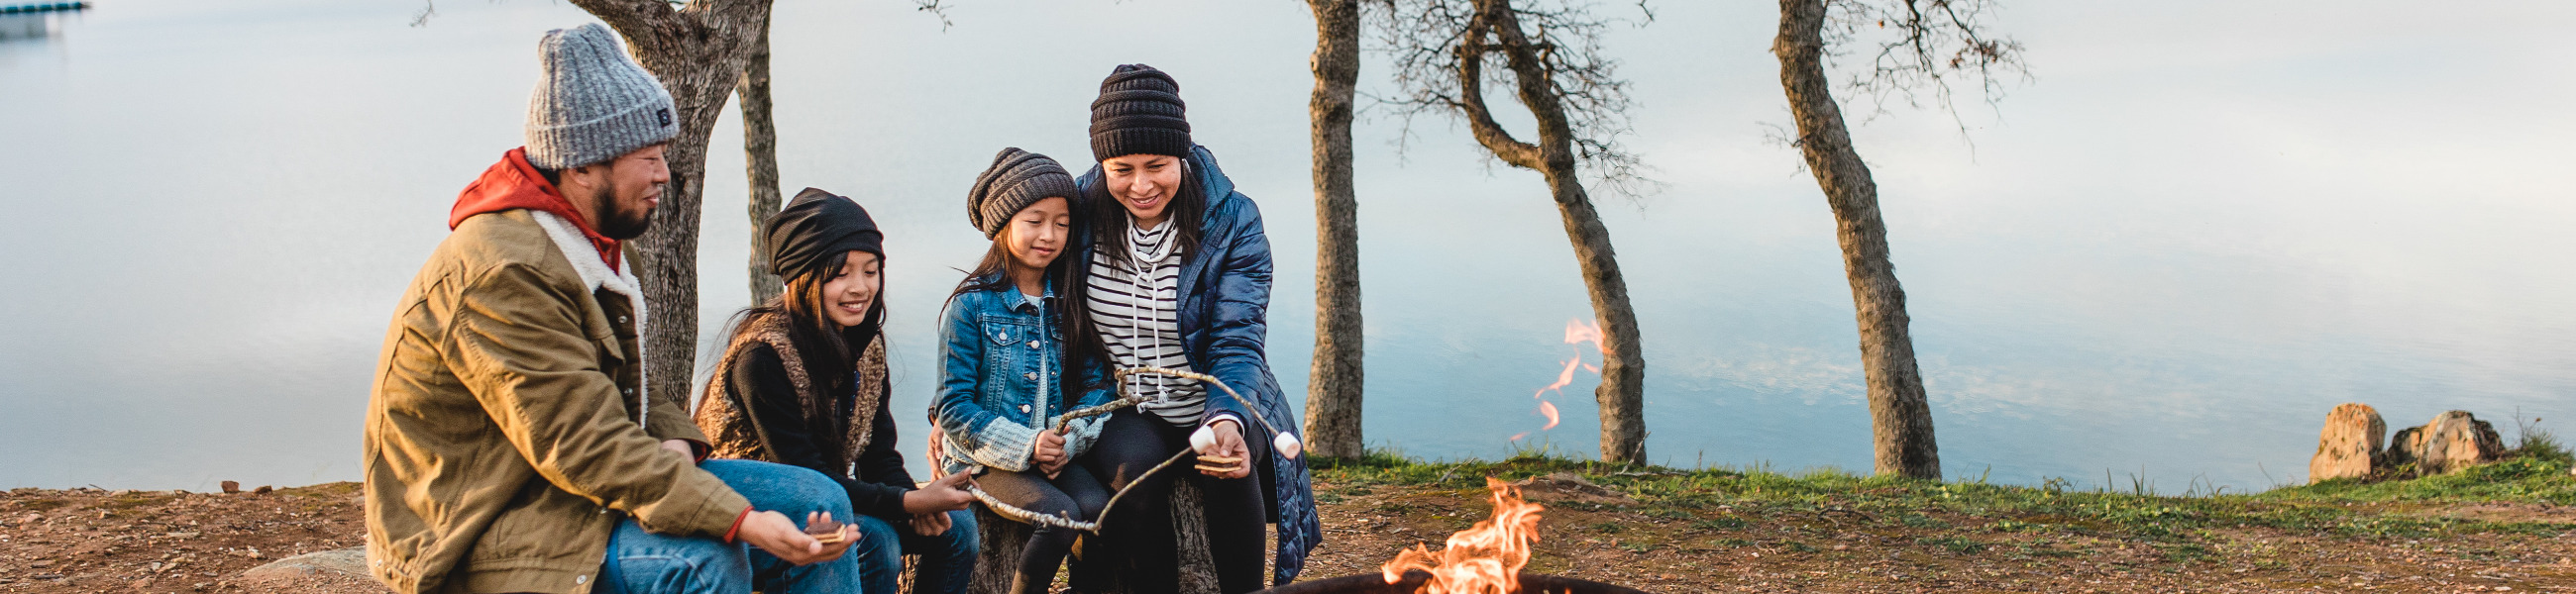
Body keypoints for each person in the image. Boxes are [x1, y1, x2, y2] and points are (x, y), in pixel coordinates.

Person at [362, 23, 857, 594]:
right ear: (581, 166)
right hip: (482, 519)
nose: (664, 174)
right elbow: (583, 444)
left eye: (663, 154)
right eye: (648, 157)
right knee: (706, 560)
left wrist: (674, 438)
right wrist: (740, 520)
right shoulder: (505, 273)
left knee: (819, 501)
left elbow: (630, 389)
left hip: (566, 486)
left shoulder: (595, 244)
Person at [1061, 63, 1323, 592]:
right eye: (1122, 169)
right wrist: (947, 411)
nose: (1141, 185)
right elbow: (1005, 290)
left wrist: (1228, 417)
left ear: (1181, 155)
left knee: (1226, 463)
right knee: (1133, 476)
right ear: (1102, 164)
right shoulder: (1073, 215)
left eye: (1157, 165)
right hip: (1124, 403)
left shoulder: (1233, 220)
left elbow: (1237, 339)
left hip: (1220, 390)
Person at [694, 188, 982, 594]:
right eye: (840, 274)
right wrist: (907, 502)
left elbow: (879, 455)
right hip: (756, 521)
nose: (860, 287)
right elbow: (806, 482)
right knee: (874, 540)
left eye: (870, 271)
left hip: (827, 499)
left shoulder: (863, 345)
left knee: (957, 527)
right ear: (801, 278)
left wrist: (921, 505)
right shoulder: (761, 358)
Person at [932, 148, 1116, 594]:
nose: (1049, 235)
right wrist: (1028, 445)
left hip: (1052, 449)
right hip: (983, 459)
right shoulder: (971, 305)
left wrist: (1067, 439)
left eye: (1062, 223)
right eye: (1035, 221)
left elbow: (1098, 384)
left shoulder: (1070, 299)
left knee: (1098, 508)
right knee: (1059, 517)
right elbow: (953, 406)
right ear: (1003, 225)